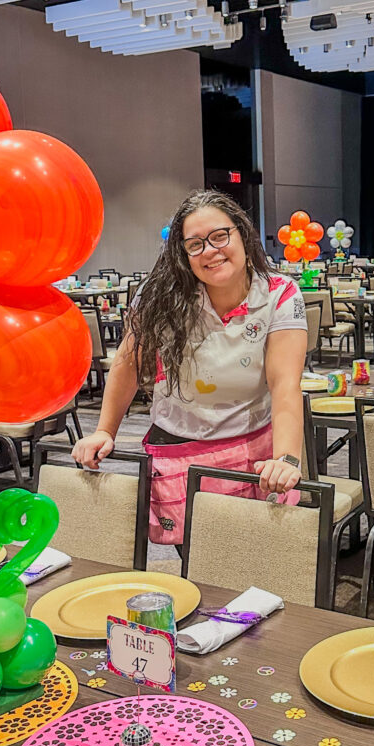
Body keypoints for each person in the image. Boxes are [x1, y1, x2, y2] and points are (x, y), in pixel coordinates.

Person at [72, 190, 308, 543]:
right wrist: (104, 430)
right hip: (181, 451)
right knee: (198, 567)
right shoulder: (160, 294)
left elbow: (284, 384)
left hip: (254, 453)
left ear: (242, 233)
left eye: (219, 236)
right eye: (194, 245)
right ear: (183, 254)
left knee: (258, 562)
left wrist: (287, 458)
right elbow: (128, 363)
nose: (210, 251)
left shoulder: (279, 293)